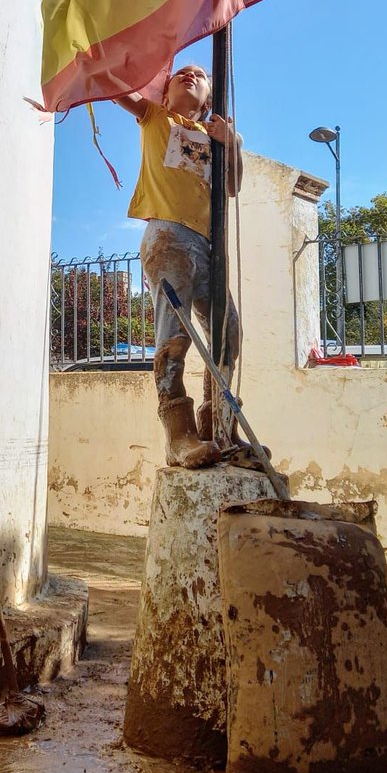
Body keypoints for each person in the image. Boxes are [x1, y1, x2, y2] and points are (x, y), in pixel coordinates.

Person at [115, 63, 243, 469]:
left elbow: (232, 186)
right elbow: (118, 90)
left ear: (208, 101)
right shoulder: (155, 116)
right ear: (165, 94)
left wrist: (233, 142)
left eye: (201, 75)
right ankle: (178, 433)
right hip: (169, 237)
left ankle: (216, 422)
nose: (191, 74)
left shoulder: (213, 136)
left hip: (208, 247)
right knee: (176, 335)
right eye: (181, 73)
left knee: (228, 334)